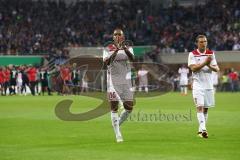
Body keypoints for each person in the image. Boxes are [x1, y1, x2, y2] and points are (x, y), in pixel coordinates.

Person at [103, 28, 134, 142]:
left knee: (129, 108)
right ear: (113, 37)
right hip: (112, 81)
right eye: (115, 34)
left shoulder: (128, 47)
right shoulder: (107, 48)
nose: (117, 36)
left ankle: (118, 123)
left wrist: (124, 49)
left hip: (125, 82)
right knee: (114, 107)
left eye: (119, 35)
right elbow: (106, 62)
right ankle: (118, 134)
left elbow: (132, 58)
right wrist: (116, 50)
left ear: (123, 37)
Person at [188, 35, 220, 138]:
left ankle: (200, 131)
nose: (204, 43)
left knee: (206, 109)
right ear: (197, 43)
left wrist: (209, 65)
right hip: (198, 85)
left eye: (205, 41)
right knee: (200, 107)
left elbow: (216, 69)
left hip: (209, 85)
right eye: (201, 42)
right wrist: (205, 62)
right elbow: (193, 69)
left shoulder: (211, 54)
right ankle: (204, 129)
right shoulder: (192, 54)